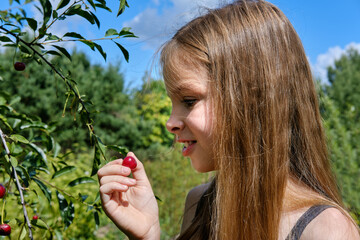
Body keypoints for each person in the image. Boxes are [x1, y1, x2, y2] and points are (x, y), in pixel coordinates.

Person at [97, 0, 360, 239]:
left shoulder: (326, 230)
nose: (170, 122)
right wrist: (149, 235)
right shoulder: (198, 207)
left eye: (189, 101)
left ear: (251, 101)